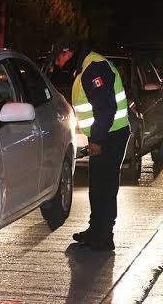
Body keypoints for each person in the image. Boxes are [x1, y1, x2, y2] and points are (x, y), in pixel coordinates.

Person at [50, 37, 131, 251]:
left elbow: (106, 108)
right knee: (98, 188)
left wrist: (96, 140)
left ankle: (104, 237)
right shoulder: (86, 67)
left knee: (104, 188)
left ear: (68, 53)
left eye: (58, 58)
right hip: (107, 135)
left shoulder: (94, 68)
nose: (58, 64)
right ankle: (96, 230)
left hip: (110, 136)